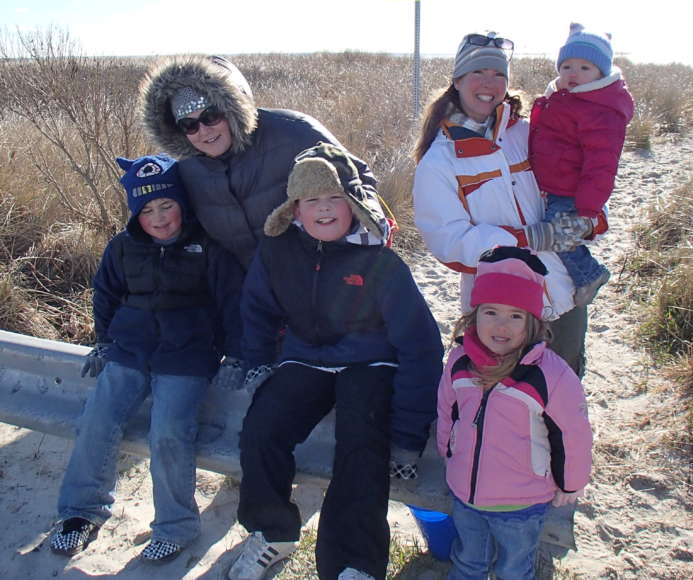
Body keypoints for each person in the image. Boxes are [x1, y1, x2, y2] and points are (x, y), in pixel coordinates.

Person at [226, 143, 443, 580]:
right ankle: (272, 532)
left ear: (352, 205)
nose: (323, 209)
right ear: (296, 210)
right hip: (306, 358)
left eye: (334, 199)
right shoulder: (278, 252)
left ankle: (353, 563)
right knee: (262, 428)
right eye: (312, 200)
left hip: (371, 363)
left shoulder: (379, 260)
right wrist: (255, 359)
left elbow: (422, 346)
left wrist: (407, 436)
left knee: (361, 444)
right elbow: (257, 309)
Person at [49, 155, 244, 563]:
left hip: (188, 355)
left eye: (167, 205)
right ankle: (80, 512)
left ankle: (176, 525)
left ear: (182, 204)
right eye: (147, 210)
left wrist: (236, 355)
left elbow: (232, 304)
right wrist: (104, 341)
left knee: (168, 431)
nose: (158, 218)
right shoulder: (123, 248)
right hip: (130, 349)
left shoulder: (208, 247)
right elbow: (104, 295)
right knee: (98, 417)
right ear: (135, 213)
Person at [412, 31, 596, 378]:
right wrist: (527, 240)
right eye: (478, 73)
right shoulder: (439, 160)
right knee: (502, 405)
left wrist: (588, 222)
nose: (489, 83)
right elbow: (449, 243)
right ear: (457, 80)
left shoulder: (531, 132)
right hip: (500, 309)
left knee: (564, 391)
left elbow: (577, 182)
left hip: (562, 293)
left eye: (499, 74)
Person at [138, 54, 388, 270]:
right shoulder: (187, 167)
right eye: (189, 125)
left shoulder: (293, 132)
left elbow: (358, 178)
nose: (203, 130)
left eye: (211, 116)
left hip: (320, 276)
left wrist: (364, 232)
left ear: (233, 107)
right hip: (253, 295)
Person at [437, 246, 593, 579]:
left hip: (522, 503)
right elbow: (447, 412)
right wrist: (449, 454)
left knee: (513, 568)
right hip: (466, 495)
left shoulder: (550, 375)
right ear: (473, 315)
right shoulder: (459, 363)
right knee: (468, 562)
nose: (501, 325)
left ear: (534, 322)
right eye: (491, 312)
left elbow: (572, 434)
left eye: (515, 315)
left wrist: (570, 483)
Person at [528, 22, 634, 306]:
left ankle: (589, 274)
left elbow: (602, 164)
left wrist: (588, 207)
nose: (573, 73)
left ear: (601, 73)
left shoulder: (601, 111)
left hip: (571, 191)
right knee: (551, 235)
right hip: (551, 185)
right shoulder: (565, 98)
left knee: (556, 235)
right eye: (567, 66)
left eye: (585, 68)